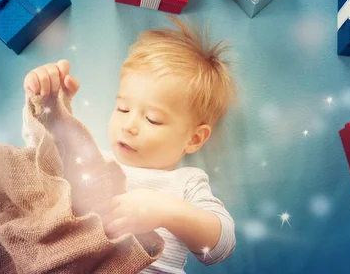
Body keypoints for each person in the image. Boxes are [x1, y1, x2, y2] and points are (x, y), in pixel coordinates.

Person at [22, 16, 238, 273]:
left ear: (194, 138)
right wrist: (45, 103)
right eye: (122, 108)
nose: (129, 126)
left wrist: (165, 211)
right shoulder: (92, 158)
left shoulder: (186, 183)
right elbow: (43, 161)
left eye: (152, 119)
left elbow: (222, 245)